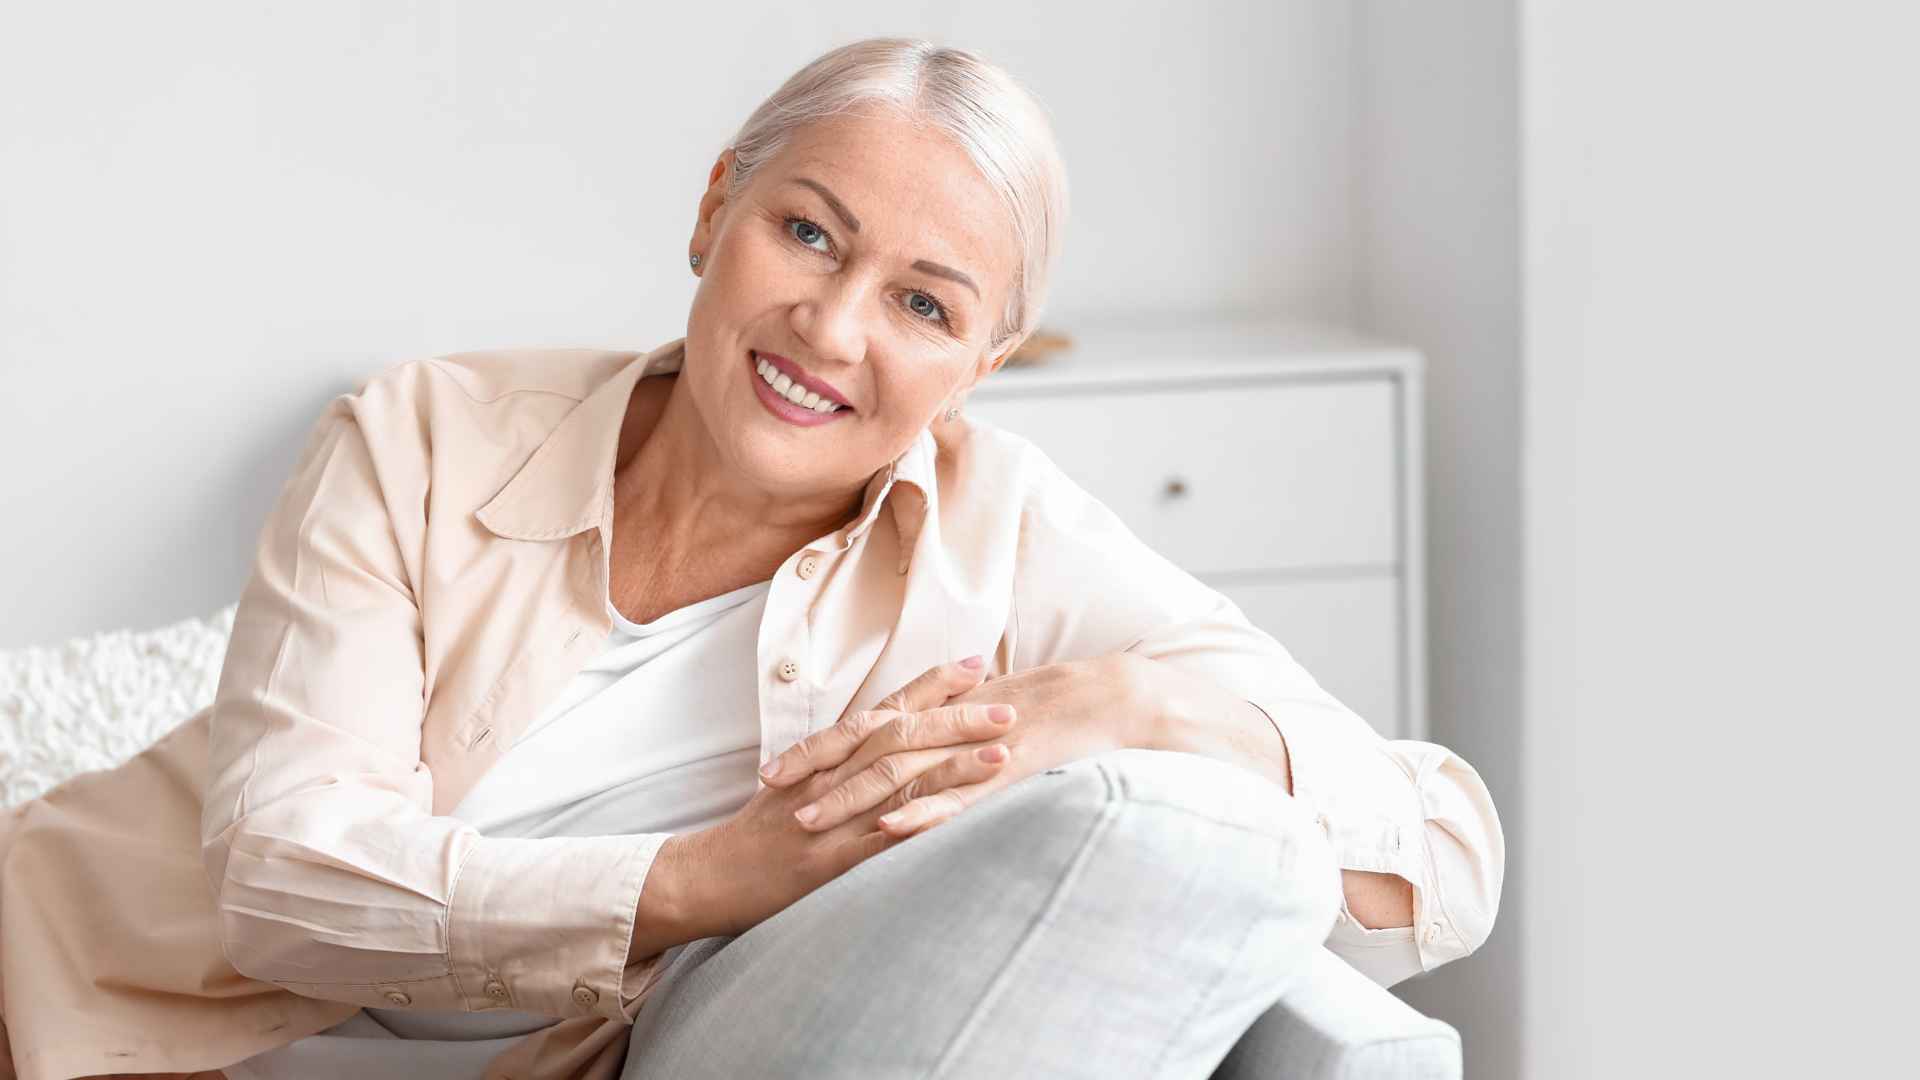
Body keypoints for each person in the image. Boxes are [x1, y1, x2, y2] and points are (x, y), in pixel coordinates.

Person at [0, 37, 1502, 1080]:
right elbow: (285, 885)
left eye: (926, 306)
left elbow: (1447, 854)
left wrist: (1127, 711)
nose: (836, 331)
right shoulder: (424, 432)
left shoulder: (1012, 545)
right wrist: (711, 879)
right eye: (809, 233)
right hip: (66, 1002)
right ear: (716, 206)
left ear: (980, 360)